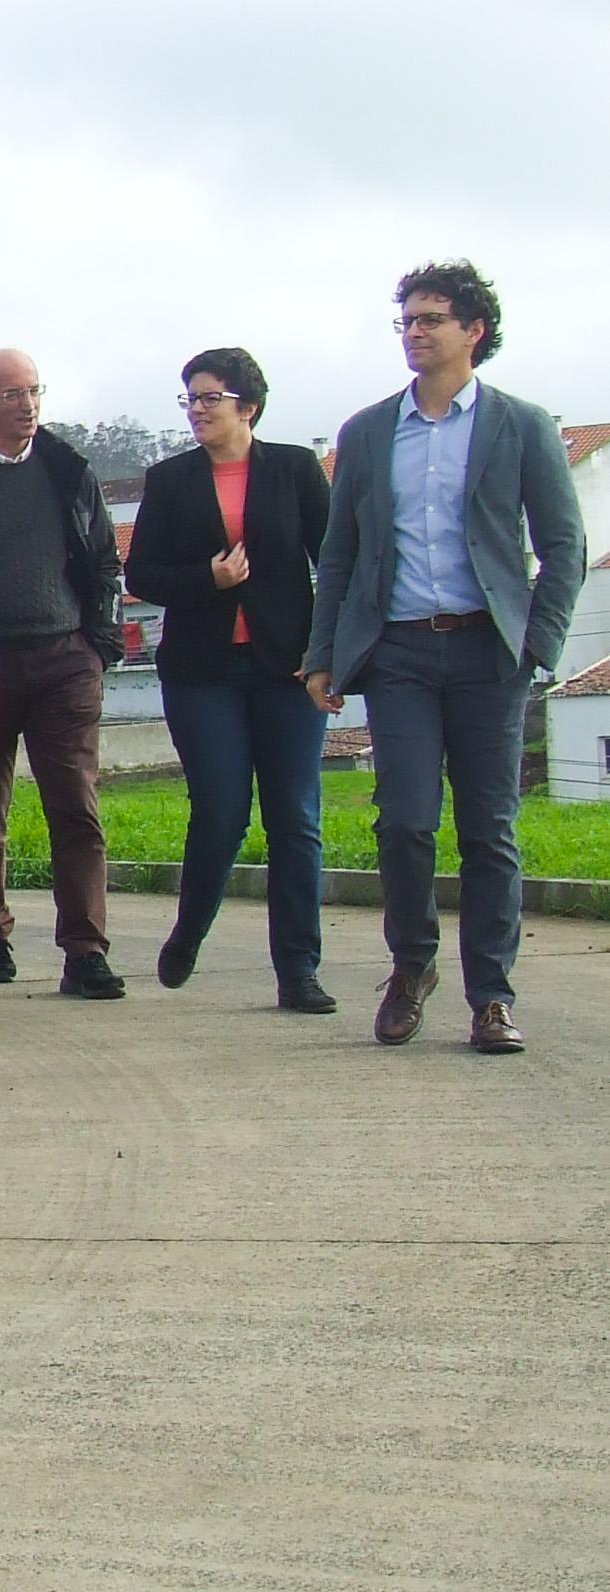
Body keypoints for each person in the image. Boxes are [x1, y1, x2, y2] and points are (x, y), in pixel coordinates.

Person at [304, 261, 585, 1053]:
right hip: (395, 651)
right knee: (403, 824)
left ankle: (490, 996)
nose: (414, 333)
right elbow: (341, 551)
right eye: (406, 321)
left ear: (473, 331)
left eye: (430, 319)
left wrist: (538, 643)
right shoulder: (366, 431)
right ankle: (410, 966)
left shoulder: (519, 424)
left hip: (488, 654)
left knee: (489, 830)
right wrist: (323, 654)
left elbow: (562, 545)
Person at [125, 348, 334, 1010]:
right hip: (202, 671)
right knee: (220, 812)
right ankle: (188, 932)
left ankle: (297, 969)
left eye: (209, 398)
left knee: (294, 819)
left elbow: (334, 561)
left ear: (247, 405)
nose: (196, 410)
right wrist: (206, 580)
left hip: (285, 667)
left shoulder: (295, 470)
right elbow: (141, 576)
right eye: (188, 399)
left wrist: (326, 652)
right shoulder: (168, 480)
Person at [0, 350, 127, 998]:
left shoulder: (67, 470)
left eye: (35, 391)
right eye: (12, 393)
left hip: (64, 658)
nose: (27, 404)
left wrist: (96, 647)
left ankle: (84, 949)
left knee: (74, 804)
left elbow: (103, 562)